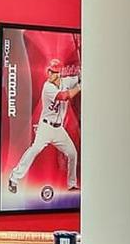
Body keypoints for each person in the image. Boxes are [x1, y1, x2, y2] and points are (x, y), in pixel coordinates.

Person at [7, 58, 81, 196]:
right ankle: (14, 178)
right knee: (34, 150)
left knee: (72, 153)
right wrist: (80, 86)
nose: (50, 74)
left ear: (59, 73)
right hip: (46, 127)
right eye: (50, 70)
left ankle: (71, 185)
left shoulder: (66, 82)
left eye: (54, 71)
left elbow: (79, 77)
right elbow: (64, 96)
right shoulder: (47, 87)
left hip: (59, 129)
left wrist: (82, 76)